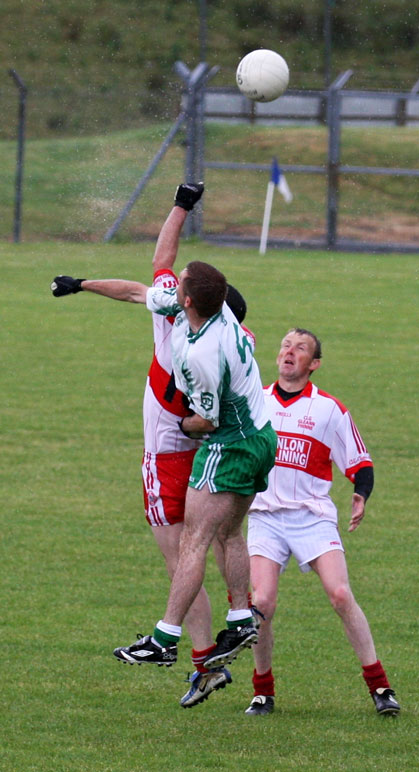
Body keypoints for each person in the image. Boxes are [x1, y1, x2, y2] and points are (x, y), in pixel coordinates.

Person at [51, 183, 253, 708]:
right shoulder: (230, 329)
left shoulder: (184, 337)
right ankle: (227, 633)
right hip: (228, 448)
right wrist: (83, 284)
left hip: (170, 448)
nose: (173, 280)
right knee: (220, 538)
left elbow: (154, 272)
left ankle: (190, 653)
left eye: (180, 285)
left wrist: (182, 204)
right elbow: (148, 276)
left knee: (181, 557)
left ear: (186, 303)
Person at [244, 327, 401, 717]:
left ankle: (380, 686)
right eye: (285, 346)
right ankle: (263, 692)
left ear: (313, 364)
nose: (289, 352)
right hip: (265, 517)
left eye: (300, 349)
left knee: (341, 595)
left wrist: (360, 494)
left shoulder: (329, 409)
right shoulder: (254, 401)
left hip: (312, 518)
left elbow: (360, 462)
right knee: (261, 602)